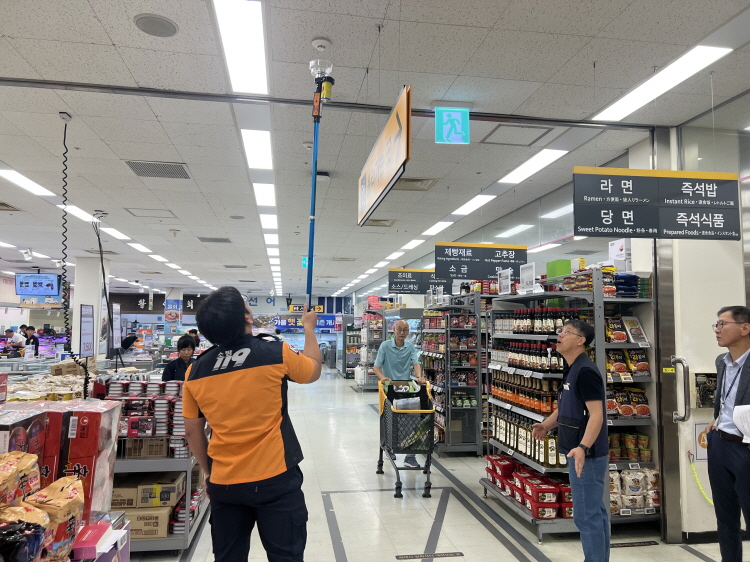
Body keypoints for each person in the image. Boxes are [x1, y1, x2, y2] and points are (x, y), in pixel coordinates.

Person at [183, 286, 321, 562]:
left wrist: (210, 472)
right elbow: (313, 370)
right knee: (286, 556)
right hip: (276, 478)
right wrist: (308, 328)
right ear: (247, 318)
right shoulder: (275, 352)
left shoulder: (195, 371)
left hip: (225, 482)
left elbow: (192, 430)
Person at [532, 319, 609, 562]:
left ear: (581, 340)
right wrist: (546, 425)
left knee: (586, 515)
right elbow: (566, 406)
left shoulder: (585, 371)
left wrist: (583, 447)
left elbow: (597, 414)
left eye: (566, 332)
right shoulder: (572, 368)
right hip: (578, 450)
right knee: (594, 512)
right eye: (561, 331)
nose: (560, 335)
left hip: (587, 455)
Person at [707, 305, 750, 562]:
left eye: (723, 324)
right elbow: (726, 399)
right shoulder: (721, 362)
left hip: (746, 448)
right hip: (720, 444)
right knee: (725, 517)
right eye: (716, 324)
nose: (717, 329)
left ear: (745, 328)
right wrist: (717, 420)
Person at [374, 320, 426, 467]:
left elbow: (416, 363)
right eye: (399, 329)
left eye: (405, 330)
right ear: (394, 330)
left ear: (408, 331)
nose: (402, 332)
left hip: (406, 388)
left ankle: (410, 456)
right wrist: (383, 378)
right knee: (390, 420)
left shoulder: (410, 347)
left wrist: (419, 377)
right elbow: (376, 367)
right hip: (389, 388)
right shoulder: (385, 346)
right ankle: (389, 447)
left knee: (412, 420)